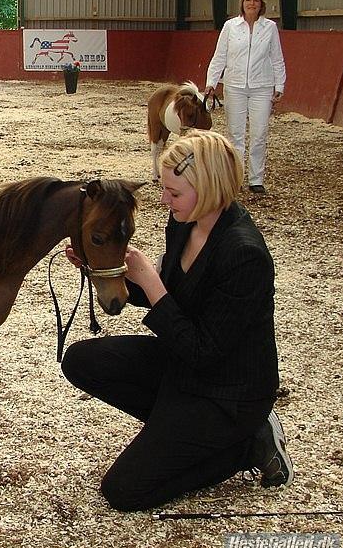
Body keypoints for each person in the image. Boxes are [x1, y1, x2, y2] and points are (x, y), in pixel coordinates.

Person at [61, 129, 293, 512]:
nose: (164, 199)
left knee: (123, 491)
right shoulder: (185, 223)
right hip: (183, 366)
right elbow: (172, 290)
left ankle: (246, 446)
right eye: (164, 189)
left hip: (228, 393)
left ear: (210, 187)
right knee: (81, 360)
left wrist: (152, 285)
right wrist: (101, 270)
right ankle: (178, 432)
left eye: (174, 192)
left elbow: (204, 350)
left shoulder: (244, 254)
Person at [205, 0, 286, 195]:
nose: (252, 3)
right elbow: (220, 56)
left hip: (262, 86)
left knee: (259, 134)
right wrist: (212, 81)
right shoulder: (230, 26)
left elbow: (276, 57)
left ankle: (256, 179)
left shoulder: (269, 27)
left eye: (255, 0)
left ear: (261, 5)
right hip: (234, 86)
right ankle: (237, 177)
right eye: (248, 0)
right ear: (242, 3)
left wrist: (280, 85)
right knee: (235, 135)